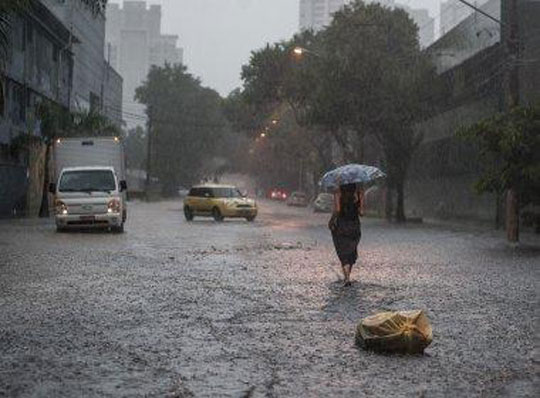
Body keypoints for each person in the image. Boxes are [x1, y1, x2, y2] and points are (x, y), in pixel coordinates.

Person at [328, 183, 364, 286]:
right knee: (351, 251)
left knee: (342, 251)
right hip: (355, 227)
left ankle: (347, 278)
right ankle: (348, 276)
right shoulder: (358, 195)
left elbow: (338, 210)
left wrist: (331, 221)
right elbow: (361, 213)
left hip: (342, 226)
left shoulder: (338, 194)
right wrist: (361, 199)